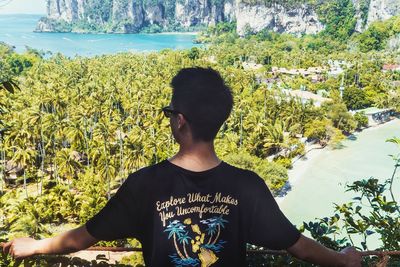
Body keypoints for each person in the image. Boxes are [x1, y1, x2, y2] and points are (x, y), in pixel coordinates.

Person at [3, 67, 361, 266]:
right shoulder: (246, 186)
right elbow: (297, 245)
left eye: (171, 111)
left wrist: (33, 246)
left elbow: (81, 238)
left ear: (180, 121)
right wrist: (344, 261)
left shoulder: (145, 184)